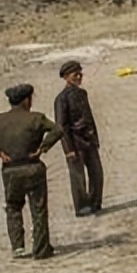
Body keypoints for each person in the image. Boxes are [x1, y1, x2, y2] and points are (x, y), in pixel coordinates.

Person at [0, 84, 63, 259]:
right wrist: (42, 148)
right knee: (38, 208)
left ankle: (18, 247)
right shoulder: (36, 118)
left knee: (13, 207)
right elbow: (57, 130)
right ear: (26, 100)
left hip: (10, 170)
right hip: (33, 167)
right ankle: (41, 249)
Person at [53, 60, 103, 216]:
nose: (79, 77)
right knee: (78, 177)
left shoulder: (82, 94)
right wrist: (68, 149)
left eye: (80, 74)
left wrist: (95, 138)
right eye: (75, 74)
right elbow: (62, 126)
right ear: (66, 77)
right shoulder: (61, 99)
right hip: (75, 142)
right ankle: (81, 207)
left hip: (89, 140)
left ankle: (95, 203)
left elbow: (89, 117)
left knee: (97, 174)